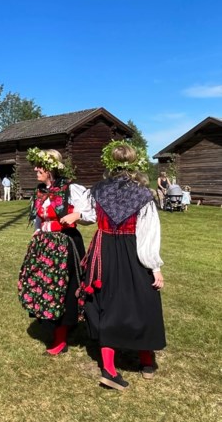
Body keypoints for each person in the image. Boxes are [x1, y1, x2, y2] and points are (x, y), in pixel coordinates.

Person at [78, 141, 166, 391]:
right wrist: (154, 266)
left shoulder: (97, 190)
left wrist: (78, 216)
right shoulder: (143, 194)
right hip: (131, 250)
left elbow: (88, 216)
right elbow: (148, 232)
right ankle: (146, 361)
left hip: (103, 248)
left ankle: (109, 368)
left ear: (109, 164)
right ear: (135, 163)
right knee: (142, 301)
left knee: (106, 302)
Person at [18, 148, 92, 355]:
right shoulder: (41, 191)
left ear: (50, 168)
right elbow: (39, 217)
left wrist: (77, 215)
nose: (36, 169)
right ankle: (51, 324)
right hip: (44, 244)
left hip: (65, 243)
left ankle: (61, 337)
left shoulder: (71, 189)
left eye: (39, 166)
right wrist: (37, 233)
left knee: (64, 289)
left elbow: (90, 213)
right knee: (44, 286)